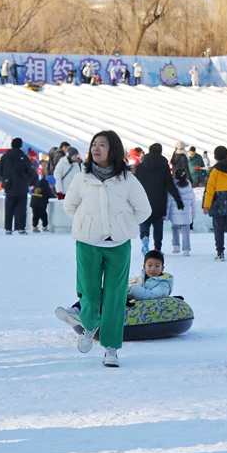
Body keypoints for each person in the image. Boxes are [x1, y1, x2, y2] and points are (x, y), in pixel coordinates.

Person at [59, 130, 152, 367]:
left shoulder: (128, 180)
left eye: (102, 144)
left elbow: (144, 210)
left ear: (114, 150)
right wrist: (88, 224)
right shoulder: (82, 177)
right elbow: (70, 206)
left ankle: (111, 348)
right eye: (94, 144)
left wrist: (120, 225)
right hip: (88, 243)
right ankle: (89, 326)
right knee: (89, 291)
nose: (96, 148)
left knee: (114, 297)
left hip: (118, 245)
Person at [134, 143, 183, 254]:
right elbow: (169, 184)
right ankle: (157, 247)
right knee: (158, 225)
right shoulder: (163, 166)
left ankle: (145, 236)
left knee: (144, 221)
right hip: (159, 200)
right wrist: (178, 199)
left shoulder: (140, 167)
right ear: (160, 152)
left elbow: (134, 184)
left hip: (143, 199)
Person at [0, 138, 38, 235]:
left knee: (9, 208)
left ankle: (8, 228)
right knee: (21, 208)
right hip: (21, 186)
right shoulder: (24, 158)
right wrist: (26, 180)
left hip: (9, 185)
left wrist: (6, 178)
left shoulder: (5, 157)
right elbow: (30, 171)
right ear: (20, 145)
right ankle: (21, 228)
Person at [168, 169, 195, 256]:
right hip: (186, 212)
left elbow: (169, 199)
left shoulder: (173, 185)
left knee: (175, 228)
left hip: (174, 211)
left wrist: (167, 213)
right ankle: (186, 249)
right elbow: (193, 200)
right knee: (185, 229)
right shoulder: (189, 185)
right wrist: (193, 213)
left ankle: (176, 246)